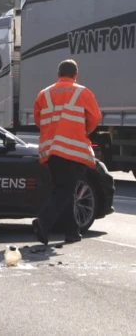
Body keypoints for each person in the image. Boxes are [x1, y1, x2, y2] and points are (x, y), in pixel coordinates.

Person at [32, 59, 102, 245]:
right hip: (72, 150)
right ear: (75, 75)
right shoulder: (82, 92)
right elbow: (94, 118)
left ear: (58, 74)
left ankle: (72, 232)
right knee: (66, 190)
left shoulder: (44, 94)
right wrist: (81, 131)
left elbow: (39, 121)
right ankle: (43, 222)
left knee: (63, 190)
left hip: (51, 151)